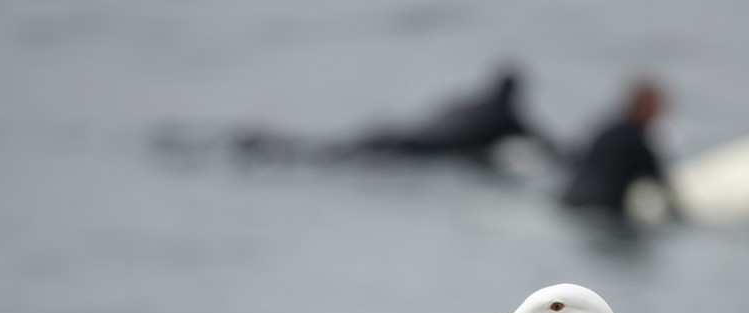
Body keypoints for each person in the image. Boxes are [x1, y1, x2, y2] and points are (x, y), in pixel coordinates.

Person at [233, 67, 557, 165]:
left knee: (333, 152)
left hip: (397, 133)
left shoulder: (467, 101)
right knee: (333, 160)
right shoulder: (508, 117)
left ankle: (268, 144)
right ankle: (269, 148)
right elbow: (551, 148)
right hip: (418, 151)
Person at [560, 81, 678, 220]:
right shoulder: (639, 146)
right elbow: (661, 185)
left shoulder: (605, 130)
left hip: (570, 202)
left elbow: (573, 159)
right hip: (602, 214)